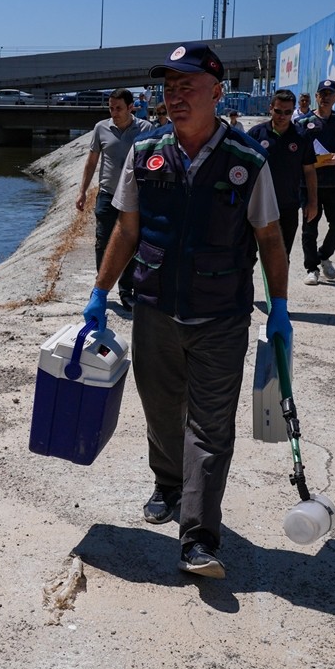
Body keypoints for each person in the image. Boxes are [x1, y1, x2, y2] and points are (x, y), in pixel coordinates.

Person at [83, 41, 292, 579]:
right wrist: (100, 292)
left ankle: (198, 536)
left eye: (187, 87)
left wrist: (281, 307)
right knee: (160, 409)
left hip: (221, 316)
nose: (174, 98)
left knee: (211, 425)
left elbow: (269, 238)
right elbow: (127, 229)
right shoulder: (146, 152)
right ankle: (168, 484)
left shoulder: (248, 161)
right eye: (169, 88)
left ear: (217, 94)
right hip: (154, 309)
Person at [75, 87, 154, 310]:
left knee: (132, 244)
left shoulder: (146, 129)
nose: (114, 112)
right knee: (103, 242)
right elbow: (91, 162)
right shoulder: (101, 128)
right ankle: (101, 289)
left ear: (131, 108)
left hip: (134, 197)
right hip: (107, 194)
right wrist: (82, 191)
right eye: (111, 108)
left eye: (118, 108)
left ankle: (126, 290)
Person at [296, 78, 335, 285]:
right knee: (309, 227)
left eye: (330, 94)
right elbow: (296, 151)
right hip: (310, 183)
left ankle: (323, 255)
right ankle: (311, 268)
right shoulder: (303, 122)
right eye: (322, 93)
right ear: (316, 96)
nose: (326, 97)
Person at [247, 89, 318, 262]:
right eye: (278, 111)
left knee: (281, 257)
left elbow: (309, 171)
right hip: (258, 205)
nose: (282, 116)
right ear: (270, 108)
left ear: (293, 111)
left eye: (287, 112)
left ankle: (277, 290)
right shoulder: (256, 135)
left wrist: (312, 202)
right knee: (247, 255)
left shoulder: (301, 137)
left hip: (287, 206)